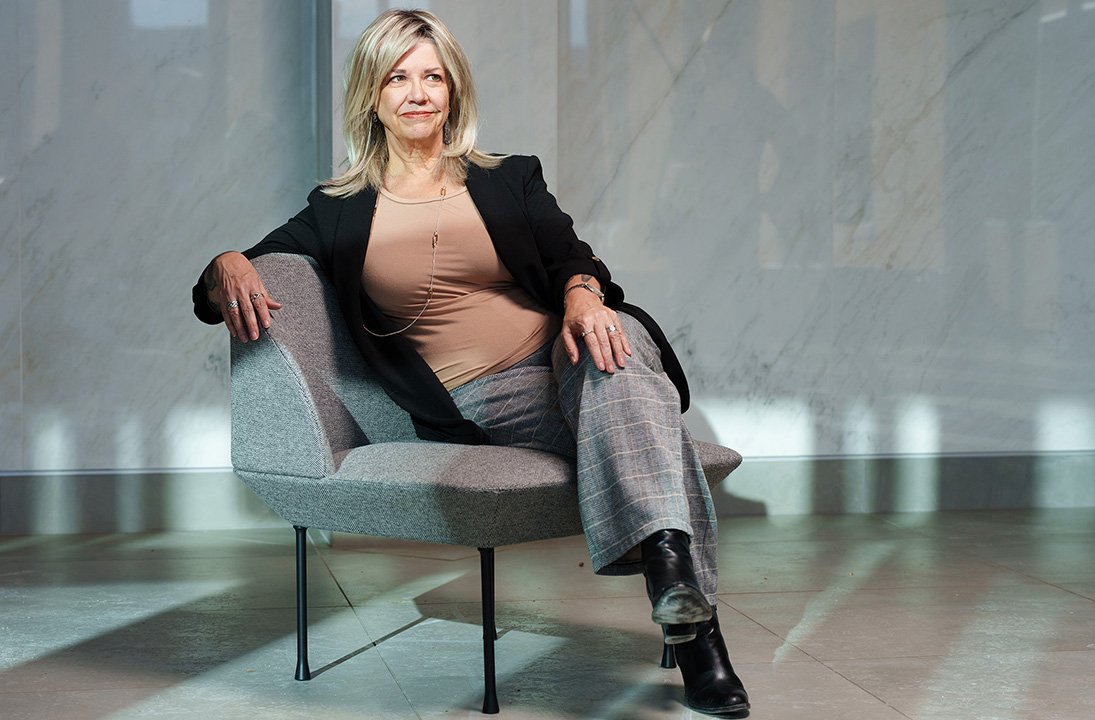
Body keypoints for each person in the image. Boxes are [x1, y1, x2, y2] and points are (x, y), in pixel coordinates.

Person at [191, 9, 748, 716]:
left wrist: (581, 299)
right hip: (483, 398)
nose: (418, 91)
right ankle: (693, 626)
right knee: (638, 399)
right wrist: (226, 262)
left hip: (569, 349)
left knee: (614, 345)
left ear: (454, 91)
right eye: (398, 77)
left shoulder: (510, 178)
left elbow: (572, 257)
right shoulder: (335, 212)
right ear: (371, 94)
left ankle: (672, 578)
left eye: (433, 76)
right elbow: (219, 294)